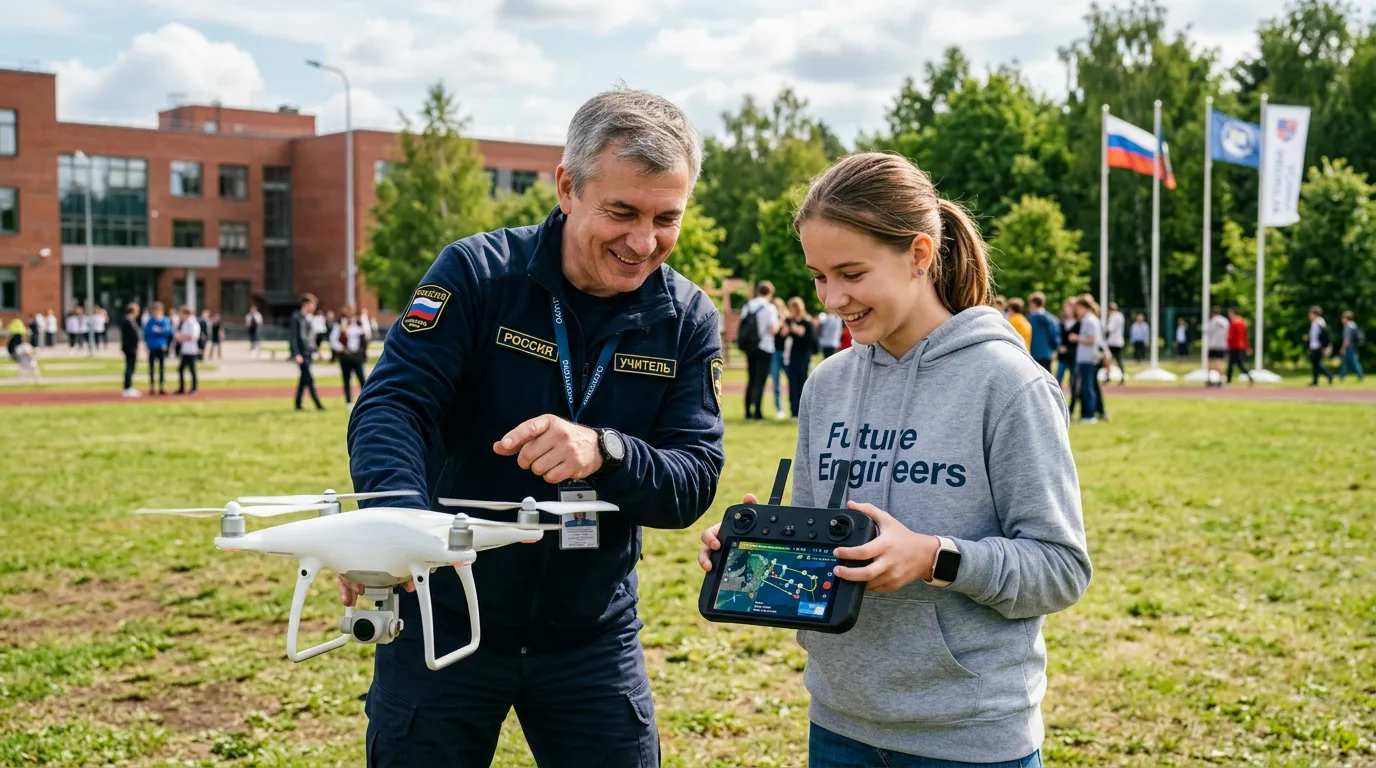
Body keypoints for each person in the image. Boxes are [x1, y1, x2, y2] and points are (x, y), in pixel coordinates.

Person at [344, 87, 726, 767]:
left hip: (590, 636)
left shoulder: (686, 318)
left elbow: (694, 480)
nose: (644, 243)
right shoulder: (476, 275)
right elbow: (393, 406)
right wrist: (395, 526)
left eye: (667, 218)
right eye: (622, 212)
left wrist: (606, 451)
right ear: (566, 187)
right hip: (445, 619)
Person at [698, 151, 1090, 768]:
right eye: (819, 276)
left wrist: (935, 557)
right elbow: (822, 547)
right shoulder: (826, 384)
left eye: (851, 273)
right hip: (837, 724)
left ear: (919, 255)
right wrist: (760, 552)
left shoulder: (1009, 384)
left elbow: (1061, 568)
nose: (832, 299)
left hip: (967, 739)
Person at [740, 280, 781, 421]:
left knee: (751, 378)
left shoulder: (749, 305)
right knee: (761, 380)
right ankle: (757, 411)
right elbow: (773, 329)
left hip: (750, 346)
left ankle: (747, 411)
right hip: (765, 346)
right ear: (770, 293)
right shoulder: (770, 308)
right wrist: (781, 321)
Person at [289, 293, 324, 411]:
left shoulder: (307, 319)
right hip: (302, 354)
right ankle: (318, 405)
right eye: (313, 304)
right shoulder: (296, 317)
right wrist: (296, 353)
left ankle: (298, 405)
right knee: (309, 379)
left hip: (308, 353)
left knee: (303, 380)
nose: (314, 307)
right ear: (306, 304)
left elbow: (309, 339)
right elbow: (293, 337)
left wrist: (316, 351)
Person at [783, 295, 817, 417]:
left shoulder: (806, 322)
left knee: (802, 381)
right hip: (793, 354)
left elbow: (810, 339)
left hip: (803, 354)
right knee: (792, 382)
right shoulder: (788, 321)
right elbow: (782, 334)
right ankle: (793, 410)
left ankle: (803, 410)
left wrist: (795, 329)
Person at [1072, 296, 1101, 423]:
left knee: (1087, 387)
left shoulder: (1089, 320)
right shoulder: (1090, 319)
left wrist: (1077, 338)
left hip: (1087, 358)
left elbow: (1092, 339)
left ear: (1084, 307)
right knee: (1087, 386)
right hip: (1087, 358)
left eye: (1078, 308)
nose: (1077, 311)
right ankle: (1088, 414)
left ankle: (1089, 415)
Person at [142, 302, 173, 395]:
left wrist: (161, 332)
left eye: (158, 311)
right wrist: (147, 345)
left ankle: (161, 386)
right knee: (151, 367)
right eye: (154, 311)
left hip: (161, 346)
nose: (156, 313)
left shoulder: (165, 321)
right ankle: (152, 386)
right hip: (152, 346)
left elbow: (169, 333)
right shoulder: (150, 321)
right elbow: (146, 334)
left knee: (162, 367)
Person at [1025, 292, 1060, 373]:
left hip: (1034, 352)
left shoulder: (1030, 318)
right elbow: (1054, 333)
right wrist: (1055, 345)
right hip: (1046, 352)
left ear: (1033, 303)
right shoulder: (1051, 318)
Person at [174, 305, 200, 395]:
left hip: (191, 350)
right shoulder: (184, 323)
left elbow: (193, 337)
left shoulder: (193, 323)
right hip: (185, 349)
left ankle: (194, 389)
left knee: (192, 370)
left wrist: (181, 337)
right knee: (181, 369)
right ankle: (182, 388)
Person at [1307, 306, 1335, 386]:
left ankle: (1326, 376)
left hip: (1318, 346)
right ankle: (1321, 378)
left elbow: (1324, 335)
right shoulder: (1314, 323)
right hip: (1314, 346)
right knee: (1315, 364)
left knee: (1316, 364)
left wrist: (1325, 346)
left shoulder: (1320, 323)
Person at [120, 302, 142, 398]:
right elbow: (134, 335)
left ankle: (128, 387)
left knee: (131, 367)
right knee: (130, 367)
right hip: (130, 347)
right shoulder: (128, 321)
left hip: (130, 346)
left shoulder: (129, 321)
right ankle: (127, 388)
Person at [1226, 307, 1253, 385]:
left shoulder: (1234, 322)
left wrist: (1228, 344)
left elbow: (1231, 336)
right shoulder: (1242, 321)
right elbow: (1245, 336)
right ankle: (1249, 377)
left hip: (1234, 346)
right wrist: (1248, 346)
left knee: (1232, 364)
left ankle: (1228, 381)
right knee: (1239, 363)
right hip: (1241, 345)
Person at [1204, 305, 1229, 387]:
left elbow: (1207, 331)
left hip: (1212, 344)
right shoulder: (1225, 321)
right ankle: (1221, 380)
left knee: (1210, 362)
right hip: (1222, 344)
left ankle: (1208, 379)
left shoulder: (1211, 321)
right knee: (1220, 361)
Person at [1339, 310, 1365, 382]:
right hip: (1353, 347)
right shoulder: (1354, 326)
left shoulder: (1348, 327)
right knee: (1349, 362)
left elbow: (1346, 339)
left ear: (1346, 318)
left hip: (1349, 348)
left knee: (1351, 362)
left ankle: (1360, 376)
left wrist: (1343, 348)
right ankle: (1343, 376)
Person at [1105, 301, 1125, 385]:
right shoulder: (1120, 316)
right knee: (1119, 360)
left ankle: (1108, 378)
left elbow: (1110, 329)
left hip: (1112, 342)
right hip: (1119, 341)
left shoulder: (1113, 317)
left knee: (1108, 360)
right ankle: (1122, 377)